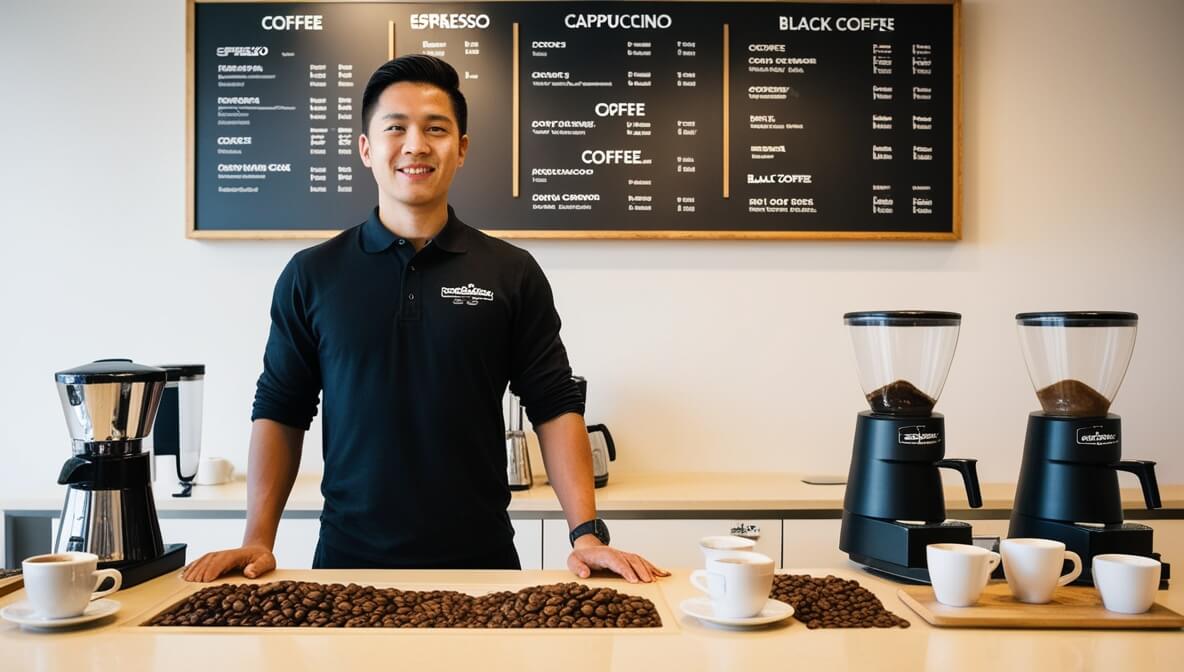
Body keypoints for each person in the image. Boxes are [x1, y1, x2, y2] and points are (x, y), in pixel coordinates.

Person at [182, 55, 667, 584]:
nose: (416, 145)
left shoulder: (511, 271)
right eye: (396, 128)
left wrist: (587, 535)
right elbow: (280, 407)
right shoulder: (312, 274)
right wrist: (257, 539)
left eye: (436, 129)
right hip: (346, 571)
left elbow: (553, 403)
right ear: (366, 148)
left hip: (483, 568)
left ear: (460, 148)